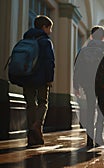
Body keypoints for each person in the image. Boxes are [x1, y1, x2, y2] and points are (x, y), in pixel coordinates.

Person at [74, 25, 104, 147]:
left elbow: (77, 68)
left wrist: (76, 85)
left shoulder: (84, 50)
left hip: (88, 84)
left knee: (90, 109)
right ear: (103, 37)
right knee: (101, 108)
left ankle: (89, 138)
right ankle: (98, 137)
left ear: (91, 36)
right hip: (102, 83)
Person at [21, 15, 55, 148]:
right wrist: (49, 79)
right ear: (44, 27)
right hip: (41, 78)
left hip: (26, 76)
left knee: (30, 104)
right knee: (43, 102)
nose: (51, 31)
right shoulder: (45, 41)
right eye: (49, 28)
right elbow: (49, 62)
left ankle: (32, 134)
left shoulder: (26, 38)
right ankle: (37, 126)